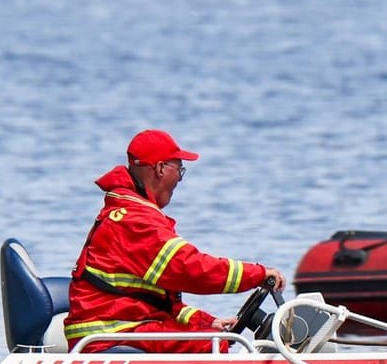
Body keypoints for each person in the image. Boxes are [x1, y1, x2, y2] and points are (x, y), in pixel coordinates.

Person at [64, 130, 284, 352]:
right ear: (160, 169)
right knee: (208, 345)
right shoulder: (135, 221)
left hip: (121, 326)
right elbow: (191, 269)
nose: (180, 177)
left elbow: (161, 303)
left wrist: (208, 322)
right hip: (112, 333)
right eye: (179, 169)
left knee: (212, 336)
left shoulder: (130, 214)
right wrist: (257, 274)